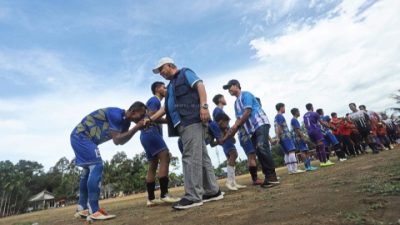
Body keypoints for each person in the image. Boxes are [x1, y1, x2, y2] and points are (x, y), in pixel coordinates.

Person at [151, 57, 223, 210]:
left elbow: (200, 85)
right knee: (201, 156)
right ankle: (212, 191)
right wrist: (150, 119)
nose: (161, 74)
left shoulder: (185, 73)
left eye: (161, 69)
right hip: (182, 124)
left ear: (169, 65)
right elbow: (165, 109)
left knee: (190, 156)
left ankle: (193, 196)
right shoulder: (170, 87)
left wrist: (204, 106)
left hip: (191, 120)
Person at [70, 102, 146, 221]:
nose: (141, 118)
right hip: (81, 136)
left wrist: (135, 128)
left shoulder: (125, 122)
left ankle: (82, 208)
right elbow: (117, 139)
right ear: (133, 112)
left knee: (87, 171)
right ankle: (94, 210)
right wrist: (137, 127)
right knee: (97, 165)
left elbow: (120, 142)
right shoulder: (116, 114)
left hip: (81, 137)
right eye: (141, 115)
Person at [223, 79, 279, 187]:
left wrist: (236, 126)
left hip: (259, 123)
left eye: (229, 87)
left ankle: (272, 177)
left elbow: (247, 112)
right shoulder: (235, 104)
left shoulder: (246, 95)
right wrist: (229, 134)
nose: (228, 90)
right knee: (258, 151)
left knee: (262, 147)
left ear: (236, 85)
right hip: (251, 130)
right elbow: (238, 119)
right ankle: (268, 177)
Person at [141, 82, 180, 206]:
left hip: (145, 135)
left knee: (152, 165)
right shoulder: (155, 100)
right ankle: (164, 194)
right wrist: (169, 120)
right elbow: (153, 116)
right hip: (151, 132)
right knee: (165, 157)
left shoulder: (153, 101)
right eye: (164, 87)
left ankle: (151, 198)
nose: (165, 89)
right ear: (157, 89)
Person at [212, 94, 262, 185]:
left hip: (227, 136)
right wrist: (226, 136)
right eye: (223, 97)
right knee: (233, 155)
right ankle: (230, 181)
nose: (225, 99)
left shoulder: (220, 110)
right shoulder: (217, 110)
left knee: (232, 157)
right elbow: (218, 126)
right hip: (225, 137)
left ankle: (232, 181)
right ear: (219, 99)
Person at [274, 103, 305, 174]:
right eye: (284, 107)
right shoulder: (280, 116)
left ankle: (290, 170)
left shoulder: (276, 117)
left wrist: (277, 137)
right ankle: (295, 169)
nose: (284, 109)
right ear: (281, 108)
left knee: (286, 153)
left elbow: (277, 128)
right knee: (291, 151)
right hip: (285, 136)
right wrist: (278, 137)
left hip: (281, 137)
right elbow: (280, 127)